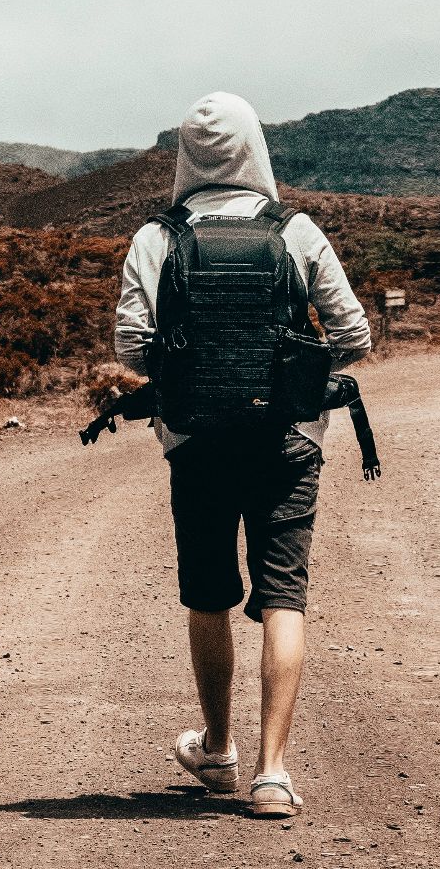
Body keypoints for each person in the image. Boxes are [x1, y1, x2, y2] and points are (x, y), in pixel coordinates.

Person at [114, 92, 372, 819]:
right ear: (255, 147)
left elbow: (131, 347)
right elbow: (355, 335)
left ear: (185, 156)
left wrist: (193, 375)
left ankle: (219, 750)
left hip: (195, 445)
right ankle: (272, 775)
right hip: (288, 443)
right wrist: (291, 376)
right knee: (283, 597)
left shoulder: (155, 238)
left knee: (208, 597)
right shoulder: (296, 231)